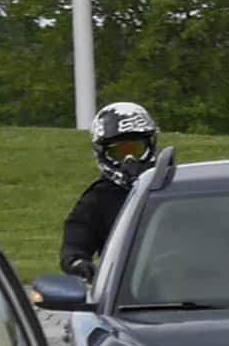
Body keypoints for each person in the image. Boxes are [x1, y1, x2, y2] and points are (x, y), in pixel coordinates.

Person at [61, 101, 160, 278]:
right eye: (119, 153)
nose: (130, 160)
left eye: (136, 150)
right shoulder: (98, 199)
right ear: (102, 155)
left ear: (150, 147)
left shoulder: (174, 188)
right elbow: (75, 244)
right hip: (127, 290)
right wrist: (78, 263)